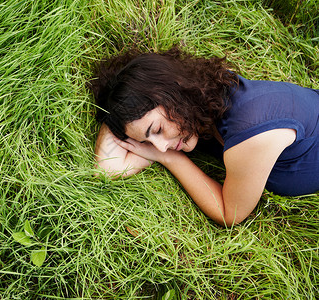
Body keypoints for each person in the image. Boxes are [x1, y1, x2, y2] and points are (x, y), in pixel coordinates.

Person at [91, 47, 319, 226]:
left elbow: (230, 213)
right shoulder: (198, 104)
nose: (160, 147)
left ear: (174, 91)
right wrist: (116, 113)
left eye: (158, 130)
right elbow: (108, 169)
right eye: (147, 141)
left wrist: (172, 160)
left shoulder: (252, 131)